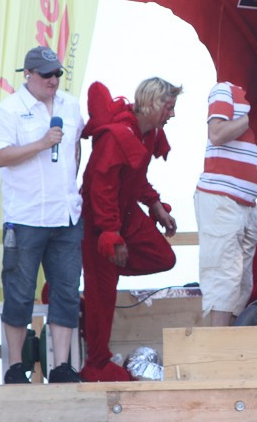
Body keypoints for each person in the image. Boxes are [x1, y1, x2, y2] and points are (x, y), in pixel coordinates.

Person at [0, 46, 84, 384]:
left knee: (67, 292)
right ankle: (16, 366)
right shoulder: (9, 110)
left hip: (66, 217)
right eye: (46, 74)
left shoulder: (71, 106)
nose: (54, 80)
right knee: (19, 292)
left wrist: (71, 188)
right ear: (28, 74)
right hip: (26, 217)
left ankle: (62, 366)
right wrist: (40, 144)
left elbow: (75, 148)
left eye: (57, 73)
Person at [79, 78, 180, 382]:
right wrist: (111, 235)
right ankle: (96, 366)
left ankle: (96, 287)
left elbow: (136, 178)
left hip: (125, 213)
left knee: (164, 257)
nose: (172, 115)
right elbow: (101, 189)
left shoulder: (148, 134)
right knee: (103, 294)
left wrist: (155, 204)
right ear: (150, 104)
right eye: (169, 107)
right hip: (101, 220)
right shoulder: (115, 136)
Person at [194, 81, 257, 326]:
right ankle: (220, 351)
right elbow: (217, 134)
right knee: (223, 280)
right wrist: (255, 114)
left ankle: (228, 346)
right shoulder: (225, 88)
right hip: (221, 198)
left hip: (247, 204)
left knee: (242, 284)